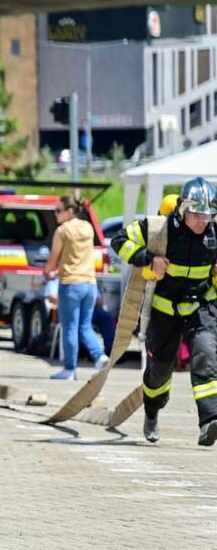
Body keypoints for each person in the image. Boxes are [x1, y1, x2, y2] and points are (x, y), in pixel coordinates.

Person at [110, 177, 217, 446]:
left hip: (200, 307)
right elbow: (119, 240)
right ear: (182, 209)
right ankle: (152, 411)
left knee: (206, 356)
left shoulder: (214, 232)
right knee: (159, 371)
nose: (201, 222)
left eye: (207, 216)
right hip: (164, 311)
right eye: (195, 215)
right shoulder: (160, 228)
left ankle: (210, 421)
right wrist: (149, 259)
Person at [45, 196, 109, 381]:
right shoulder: (88, 228)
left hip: (71, 283)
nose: (55, 214)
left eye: (58, 210)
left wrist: (48, 270)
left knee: (69, 328)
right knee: (85, 325)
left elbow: (55, 255)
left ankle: (69, 370)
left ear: (70, 211)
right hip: (90, 283)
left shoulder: (62, 231)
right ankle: (100, 356)